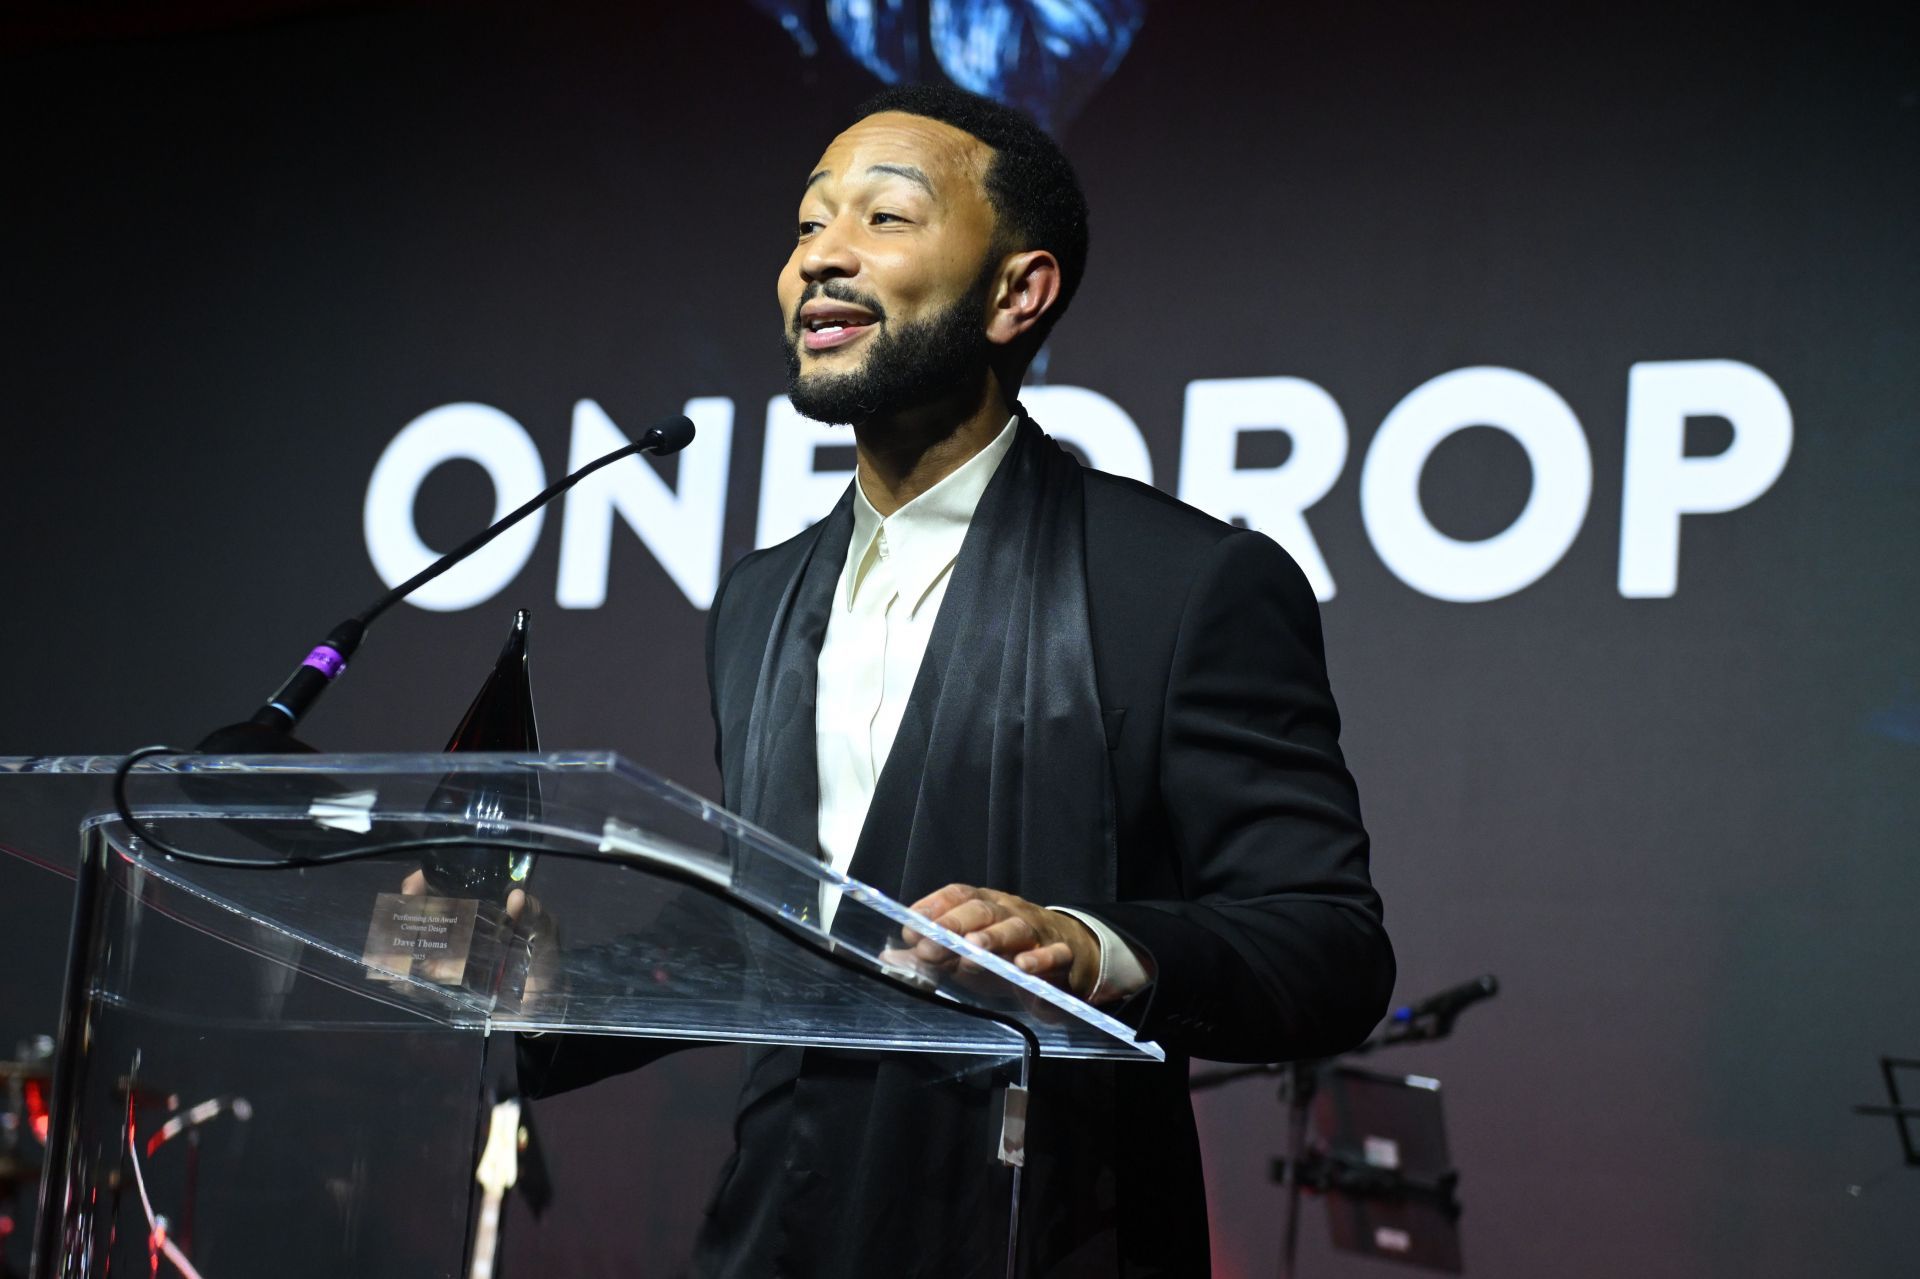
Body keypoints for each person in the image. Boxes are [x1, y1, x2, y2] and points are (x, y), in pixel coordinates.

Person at [532, 84, 1394, 1276]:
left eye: (883, 218)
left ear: (1017, 292)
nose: (819, 258)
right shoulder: (758, 597)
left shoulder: (1184, 583)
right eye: (804, 226)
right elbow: (771, 925)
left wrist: (1087, 948)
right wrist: (541, 990)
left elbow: (1327, 947)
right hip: (774, 1240)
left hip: (1040, 1237)